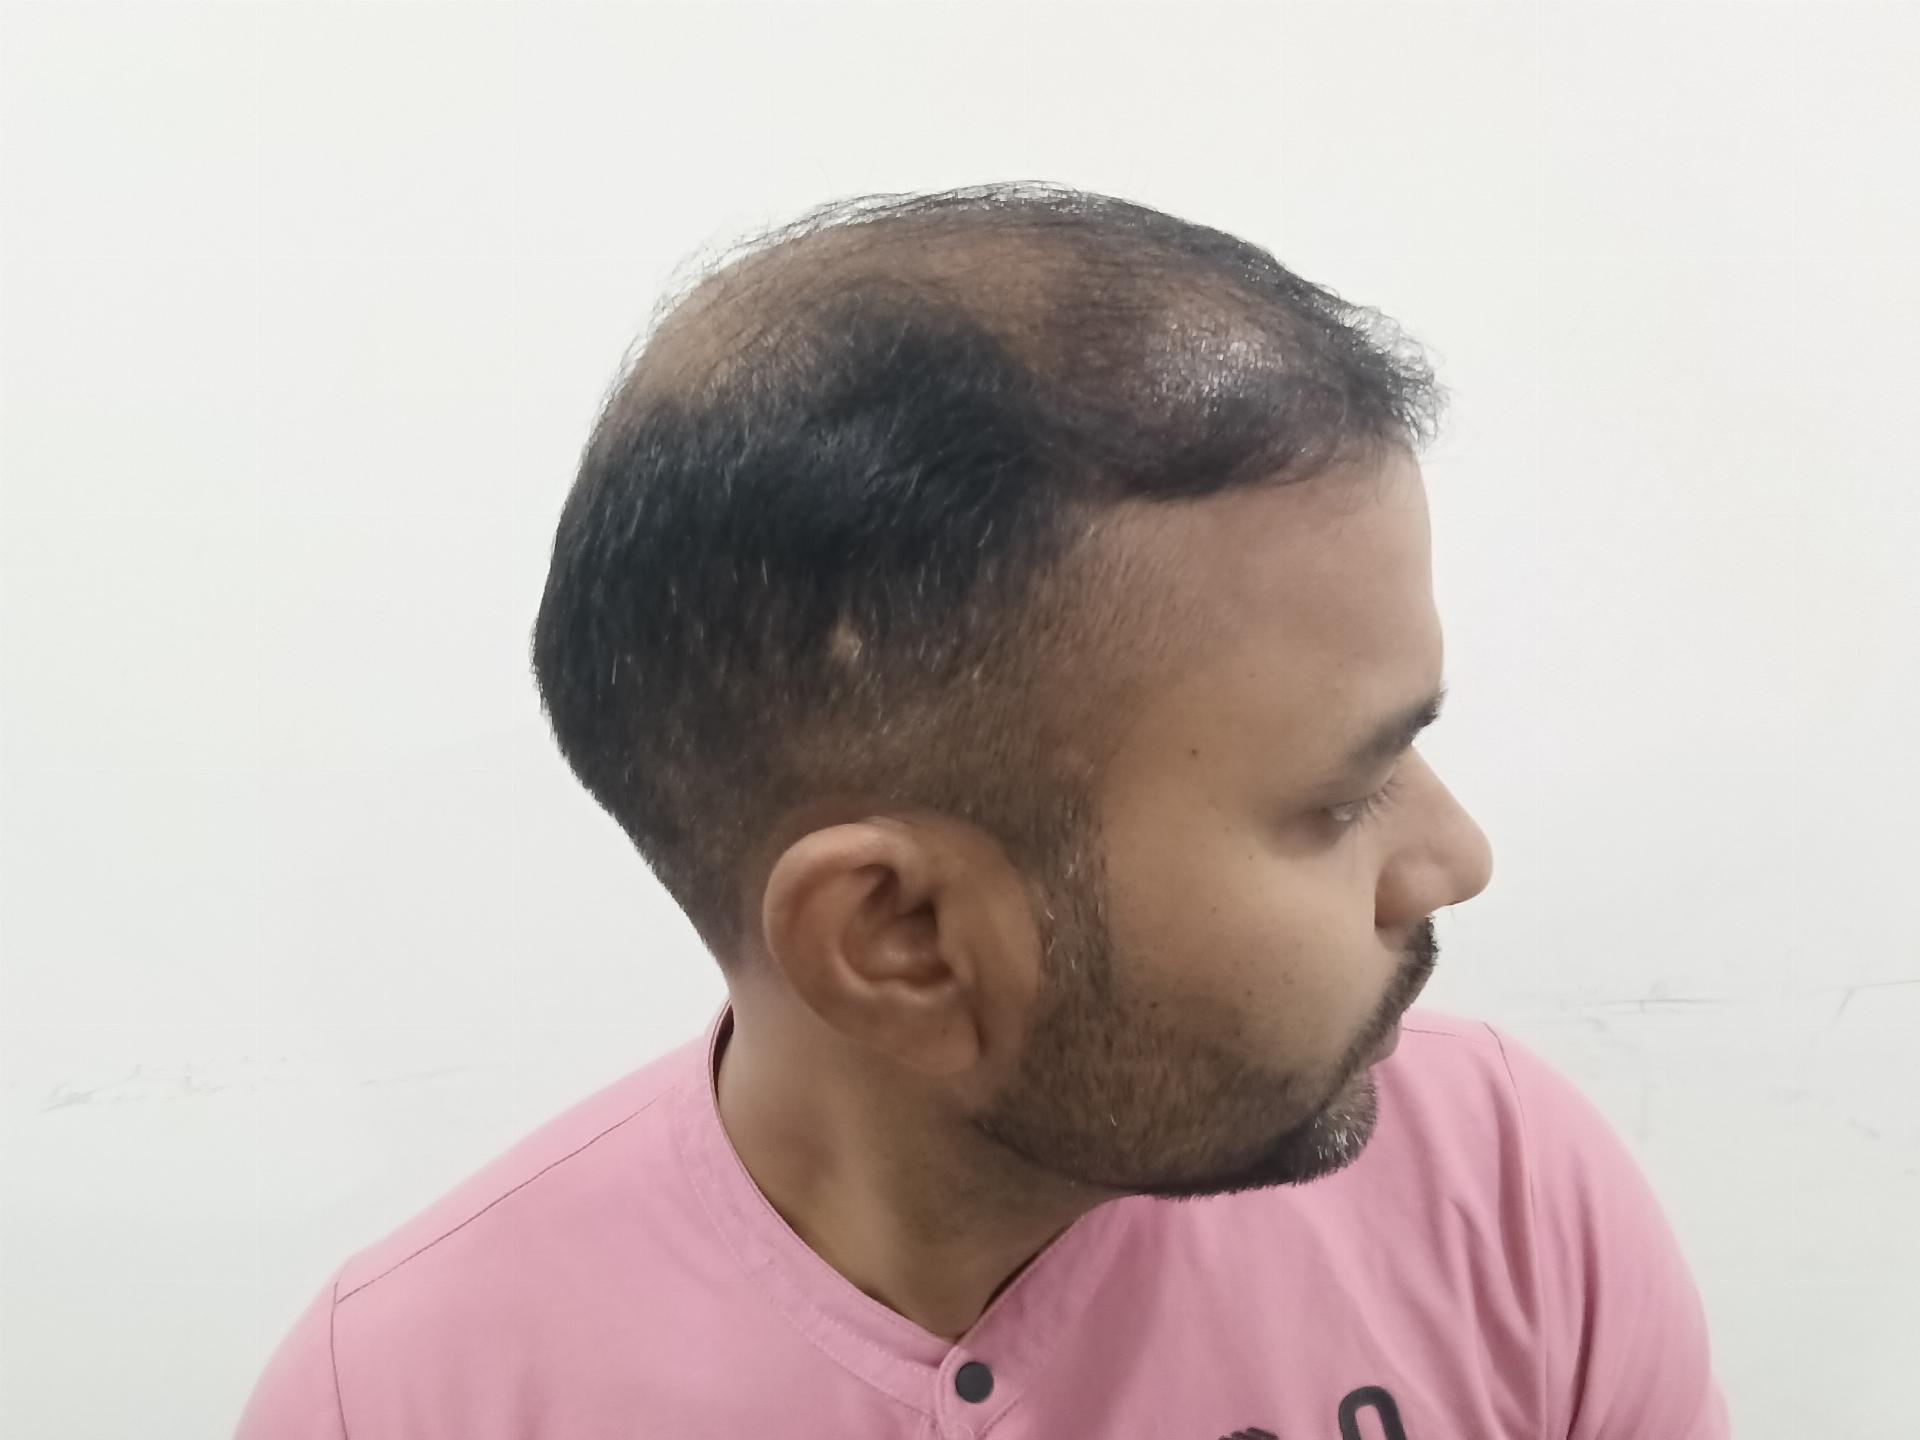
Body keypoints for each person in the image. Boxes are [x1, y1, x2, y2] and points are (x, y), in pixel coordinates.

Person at [234, 182, 1729, 1439]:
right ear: (901, 937)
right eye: (1337, 802)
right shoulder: (409, 1399)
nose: (1454, 859)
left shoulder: (1501, 1190)